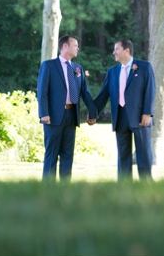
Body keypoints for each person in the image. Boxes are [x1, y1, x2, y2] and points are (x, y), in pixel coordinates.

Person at [37, 35, 98, 181]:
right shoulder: (49, 65)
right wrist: (44, 113)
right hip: (53, 117)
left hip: (72, 116)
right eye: (75, 45)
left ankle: (65, 188)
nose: (78, 48)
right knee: (51, 153)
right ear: (65, 46)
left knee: (67, 154)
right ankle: (48, 188)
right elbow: (42, 91)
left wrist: (93, 112)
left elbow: (85, 92)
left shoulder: (77, 68)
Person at [94, 39, 155, 180]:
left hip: (140, 118)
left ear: (126, 50)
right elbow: (103, 95)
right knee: (123, 154)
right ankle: (124, 186)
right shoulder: (112, 72)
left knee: (144, 153)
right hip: (120, 118)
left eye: (116, 49)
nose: (114, 52)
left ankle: (146, 185)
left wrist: (147, 113)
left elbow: (150, 91)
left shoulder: (144, 67)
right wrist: (93, 112)